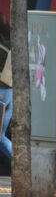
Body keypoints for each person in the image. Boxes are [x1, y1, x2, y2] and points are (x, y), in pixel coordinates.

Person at [0, 12, 12, 174]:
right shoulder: (9, 41)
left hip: (2, 92)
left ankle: (24, 164)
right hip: (9, 91)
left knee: (0, 137)